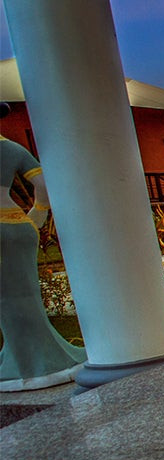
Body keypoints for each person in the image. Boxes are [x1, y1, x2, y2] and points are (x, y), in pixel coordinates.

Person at [0, 125, 86, 390]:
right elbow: (43, 185)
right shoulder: (13, 148)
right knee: (24, 293)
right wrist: (37, 214)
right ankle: (39, 356)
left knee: (6, 298)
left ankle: (27, 365)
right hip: (18, 224)